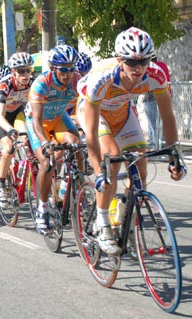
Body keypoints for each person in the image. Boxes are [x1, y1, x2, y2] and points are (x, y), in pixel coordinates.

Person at [77, 27, 186, 255]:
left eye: (143, 61)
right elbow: (91, 132)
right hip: (96, 114)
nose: (138, 69)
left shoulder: (156, 75)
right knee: (112, 161)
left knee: (140, 167)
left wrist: (175, 156)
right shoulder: (101, 77)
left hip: (123, 113)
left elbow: (167, 116)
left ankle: (126, 220)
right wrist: (98, 170)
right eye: (131, 62)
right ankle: (102, 223)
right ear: (119, 60)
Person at [27, 44, 83, 234]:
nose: (68, 74)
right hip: (39, 122)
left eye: (72, 69)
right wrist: (44, 142)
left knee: (77, 145)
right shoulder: (41, 84)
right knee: (47, 162)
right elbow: (36, 120)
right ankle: (42, 209)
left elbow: (84, 107)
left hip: (59, 117)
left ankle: (79, 189)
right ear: (53, 68)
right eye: (64, 70)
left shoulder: (77, 80)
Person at [0, 52, 34, 208]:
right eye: (21, 71)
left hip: (18, 113)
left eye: (28, 70)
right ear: (13, 72)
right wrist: (9, 130)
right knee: (8, 147)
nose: (26, 74)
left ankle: (23, 170)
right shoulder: (5, 86)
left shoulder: (33, 84)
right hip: (1, 116)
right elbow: (0, 116)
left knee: (26, 140)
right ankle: (1, 185)